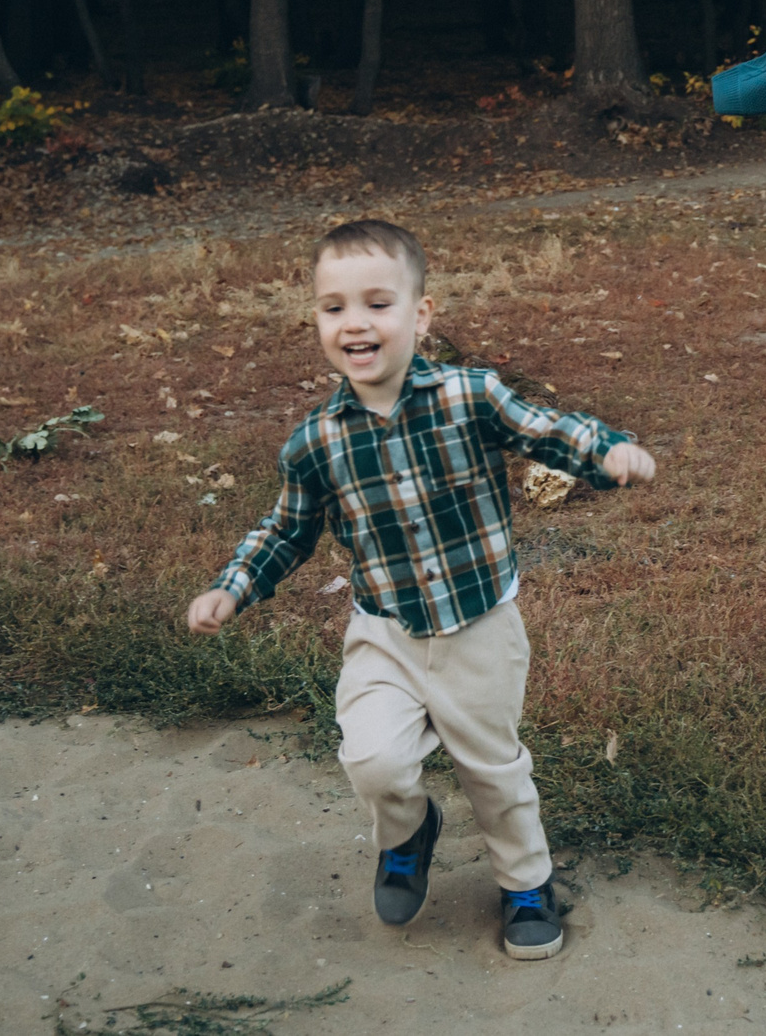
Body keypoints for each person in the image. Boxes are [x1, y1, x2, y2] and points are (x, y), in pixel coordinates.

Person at [185, 218, 656, 961]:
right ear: (316, 319)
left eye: (377, 302)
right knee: (372, 758)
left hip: (479, 626)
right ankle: (407, 834)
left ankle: (526, 881)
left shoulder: (470, 396)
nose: (355, 322)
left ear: (421, 314)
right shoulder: (317, 441)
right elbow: (286, 531)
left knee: (492, 767)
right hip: (386, 634)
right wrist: (232, 588)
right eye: (333, 306)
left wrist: (608, 453)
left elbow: (545, 430)